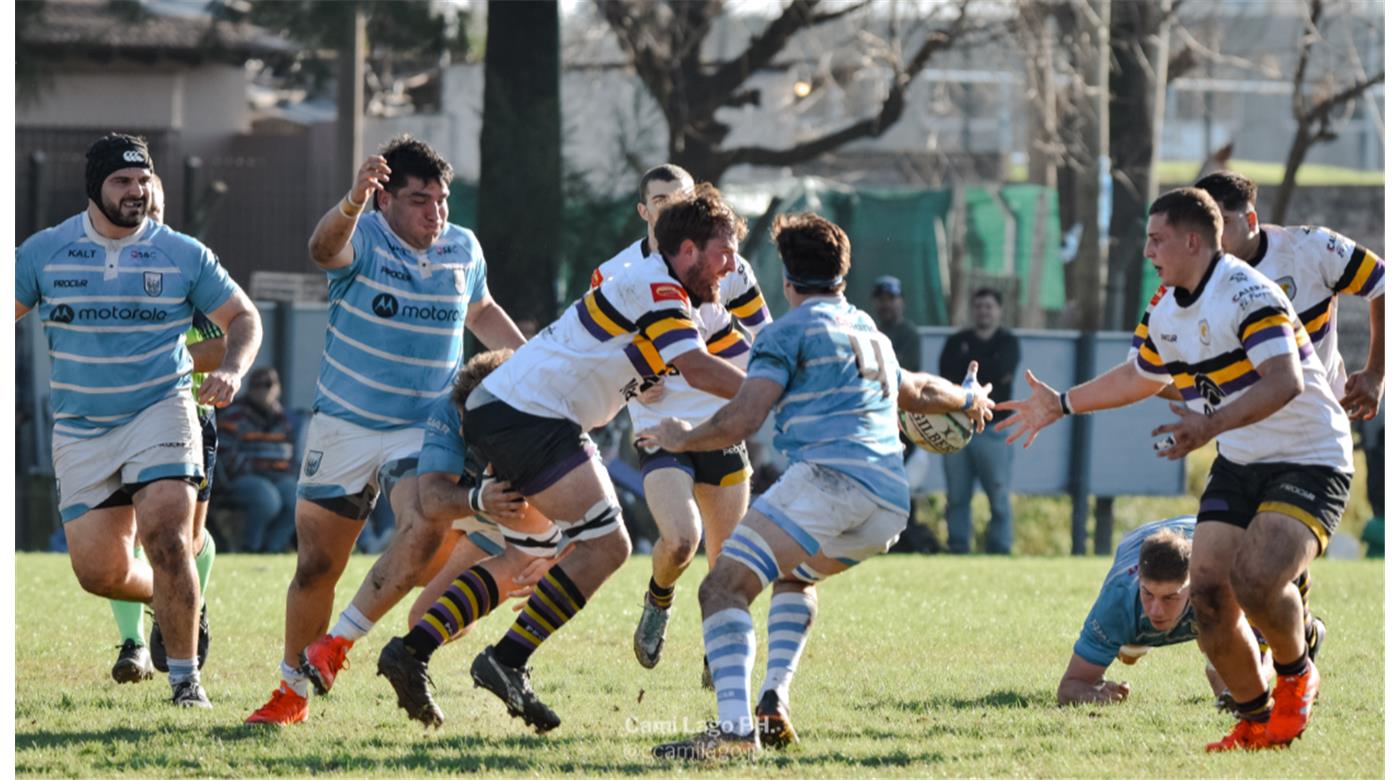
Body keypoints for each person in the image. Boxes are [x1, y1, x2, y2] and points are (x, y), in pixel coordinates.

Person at [998, 188, 1353, 751]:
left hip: (1309, 456)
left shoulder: (1245, 292)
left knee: (1258, 582)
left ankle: (1297, 676)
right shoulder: (1165, 306)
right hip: (1240, 459)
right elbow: (1140, 375)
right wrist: (1061, 403)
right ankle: (1256, 720)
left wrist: (1209, 426)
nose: (1147, 251)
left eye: (1156, 239)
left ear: (1193, 240)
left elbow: (1285, 380)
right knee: (1209, 597)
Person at [639, 213, 995, 760]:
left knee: (721, 588)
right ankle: (774, 697)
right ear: (843, 276)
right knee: (793, 577)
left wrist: (683, 437)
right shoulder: (869, 331)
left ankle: (734, 735)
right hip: (887, 504)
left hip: (829, 480)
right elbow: (919, 390)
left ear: (786, 276)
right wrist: (969, 398)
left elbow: (743, 420)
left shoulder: (786, 332)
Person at [418, 182, 750, 733]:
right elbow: (698, 368)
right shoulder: (658, 286)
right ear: (686, 248)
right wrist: (775, 397)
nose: (732, 264)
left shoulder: (688, 296)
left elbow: (738, 351)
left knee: (535, 552)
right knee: (605, 544)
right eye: (723, 251)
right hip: (529, 414)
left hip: (531, 414)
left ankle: (422, 649)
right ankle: (488, 656)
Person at [245, 135, 526, 725]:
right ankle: (290, 693)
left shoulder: (462, 248)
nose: (436, 213)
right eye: (421, 199)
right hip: (342, 427)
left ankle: (339, 646)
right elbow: (321, 250)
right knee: (317, 568)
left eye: (442, 199)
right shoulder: (361, 235)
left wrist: (535, 369)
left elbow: (481, 312)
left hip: (424, 427)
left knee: (427, 521)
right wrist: (350, 201)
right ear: (384, 200)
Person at [16, 133, 263, 707]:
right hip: (79, 427)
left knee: (168, 537)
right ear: (95, 187)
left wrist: (234, 368)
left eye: (143, 180)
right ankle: (174, 598)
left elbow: (243, 317)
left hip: (163, 409)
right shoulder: (44, 252)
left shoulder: (182, 252)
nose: (136, 191)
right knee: (98, 572)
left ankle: (185, 682)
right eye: (122, 181)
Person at [591, 164, 772, 682]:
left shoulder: (726, 264)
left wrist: (770, 374)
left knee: (730, 563)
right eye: (662, 200)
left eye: (683, 198)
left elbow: (766, 335)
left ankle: (719, 655)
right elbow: (599, 346)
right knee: (679, 540)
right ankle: (659, 597)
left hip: (720, 423)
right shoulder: (619, 273)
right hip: (661, 426)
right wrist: (634, 370)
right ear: (644, 210)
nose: (673, 208)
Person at [377, 348, 571, 728]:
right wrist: (479, 500)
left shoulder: (547, 412)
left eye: (476, 420)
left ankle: (499, 661)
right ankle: (490, 657)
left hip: (526, 506)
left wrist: (559, 557)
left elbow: (584, 499)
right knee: (424, 617)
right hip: (490, 511)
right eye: (466, 421)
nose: (468, 432)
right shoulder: (453, 412)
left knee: (576, 556)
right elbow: (432, 501)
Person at [107, 172, 226, 684]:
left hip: (189, 420)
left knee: (185, 540)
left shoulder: (189, 268)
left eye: (151, 207)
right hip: (115, 417)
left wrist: (164, 362)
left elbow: (225, 342)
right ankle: (133, 643)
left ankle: (184, 610)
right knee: (123, 537)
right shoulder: (98, 273)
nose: (142, 216)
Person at [1058, 515, 1324, 707]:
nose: (1156, 609)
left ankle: (1309, 630)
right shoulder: (1117, 603)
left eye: (1170, 597)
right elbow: (1070, 686)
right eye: (1148, 594)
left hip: (1215, 548)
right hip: (1140, 544)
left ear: (1192, 584)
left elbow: (1258, 670)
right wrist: (1095, 693)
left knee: (1231, 677)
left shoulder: (1220, 582)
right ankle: (1136, 643)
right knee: (1128, 651)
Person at [1188, 171, 1384, 418]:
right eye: (1203, 226)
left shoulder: (1311, 248)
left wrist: (1376, 372)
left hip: (1320, 426)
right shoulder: (1194, 276)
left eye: (1222, 222)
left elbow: (1384, 283)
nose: (1211, 236)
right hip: (1244, 431)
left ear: (1250, 221)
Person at [938, 287, 1021, 554]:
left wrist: (970, 373)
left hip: (995, 430)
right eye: (979, 306)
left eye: (989, 306)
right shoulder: (956, 341)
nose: (983, 311)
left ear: (998, 311)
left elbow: (1001, 372)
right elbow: (946, 377)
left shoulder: (1008, 342)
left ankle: (1000, 548)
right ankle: (958, 546)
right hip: (959, 428)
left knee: (998, 496)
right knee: (958, 495)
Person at [217, 367, 299, 553]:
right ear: (252, 388)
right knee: (267, 499)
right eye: (262, 385)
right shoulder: (235, 414)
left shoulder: (282, 418)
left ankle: (272, 549)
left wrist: (282, 470)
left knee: (297, 499)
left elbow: (289, 452)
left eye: (272, 384)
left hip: (277, 476)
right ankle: (251, 547)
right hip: (243, 477)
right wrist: (256, 469)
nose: (268, 390)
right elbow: (224, 452)